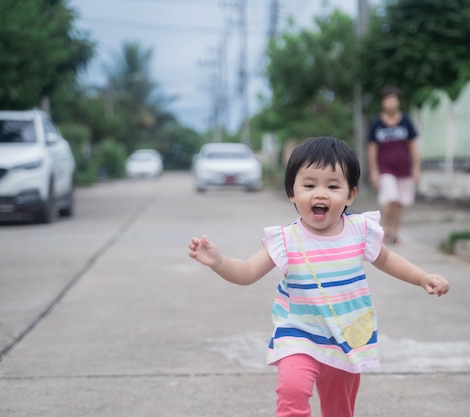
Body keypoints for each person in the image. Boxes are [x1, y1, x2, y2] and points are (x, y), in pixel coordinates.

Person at [188, 136, 449, 417]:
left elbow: (387, 260)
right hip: (299, 335)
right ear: (292, 193)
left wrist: (422, 277)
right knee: (291, 391)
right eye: (309, 185)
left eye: (333, 186)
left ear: (350, 195)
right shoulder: (286, 240)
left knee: (339, 410)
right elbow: (248, 272)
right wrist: (218, 262)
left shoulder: (360, 231)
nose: (320, 193)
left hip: (345, 337)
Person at [368, 85, 421, 244]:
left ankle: (395, 233)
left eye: (394, 99)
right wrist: (373, 171)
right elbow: (372, 148)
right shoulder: (377, 123)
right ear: (382, 102)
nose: (391, 102)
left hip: (404, 168)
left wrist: (417, 168)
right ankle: (386, 229)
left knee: (400, 202)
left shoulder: (405, 121)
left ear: (398, 101)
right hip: (385, 168)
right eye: (387, 99)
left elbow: (413, 146)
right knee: (390, 198)